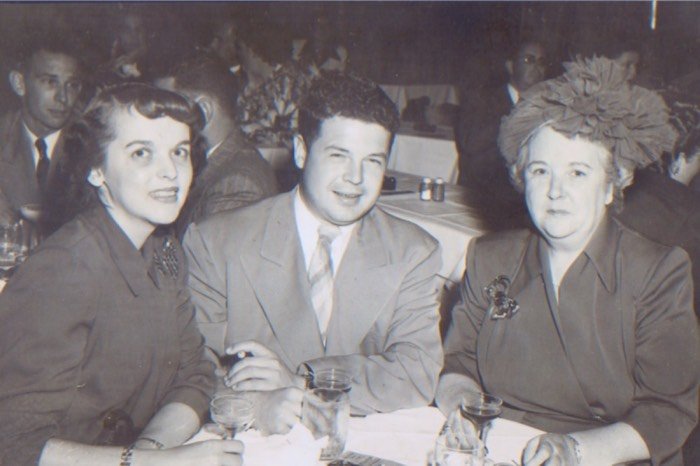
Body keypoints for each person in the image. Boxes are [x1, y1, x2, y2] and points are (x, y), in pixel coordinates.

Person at [436, 56, 699, 466]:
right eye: (541, 171)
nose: (555, 191)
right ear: (522, 179)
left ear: (611, 185)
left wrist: (573, 449)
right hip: (499, 446)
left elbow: (668, 411)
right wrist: (466, 412)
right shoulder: (489, 256)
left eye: (577, 173)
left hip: (605, 454)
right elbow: (456, 364)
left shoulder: (657, 271)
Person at [184, 72, 444, 434]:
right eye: (339, 156)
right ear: (301, 151)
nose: (356, 178)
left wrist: (303, 379)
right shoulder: (218, 242)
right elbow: (190, 368)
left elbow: (417, 373)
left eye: (373, 160)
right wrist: (254, 405)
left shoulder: (413, 251)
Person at [0, 83, 242, 466]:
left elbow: (194, 375)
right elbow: (12, 443)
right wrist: (155, 463)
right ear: (96, 170)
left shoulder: (164, 249)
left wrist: (151, 451)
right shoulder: (63, 270)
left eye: (179, 152)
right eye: (142, 153)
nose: (170, 171)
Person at [159, 55, 278, 234]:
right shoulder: (214, 162)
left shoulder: (236, 184)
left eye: (168, 110)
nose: (156, 122)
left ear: (204, 110)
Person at [455, 39, 549, 230]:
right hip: (484, 201)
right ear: (510, 66)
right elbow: (470, 143)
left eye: (541, 62)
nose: (536, 67)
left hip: (527, 202)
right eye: (529, 60)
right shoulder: (483, 99)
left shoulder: (547, 107)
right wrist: (516, 113)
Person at [0, 31, 84, 230]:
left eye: (72, 85)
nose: (63, 98)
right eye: (50, 82)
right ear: (20, 84)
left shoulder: (93, 144)